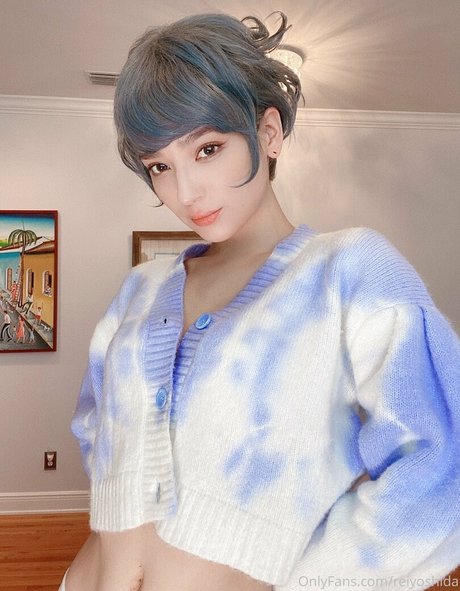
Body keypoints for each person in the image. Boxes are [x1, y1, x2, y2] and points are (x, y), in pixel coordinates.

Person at [64, 11, 460, 591]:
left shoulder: (348, 272)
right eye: (160, 167)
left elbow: (442, 465)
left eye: (208, 149)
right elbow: (97, 436)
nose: (185, 191)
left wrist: (319, 581)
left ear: (268, 132)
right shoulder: (139, 292)